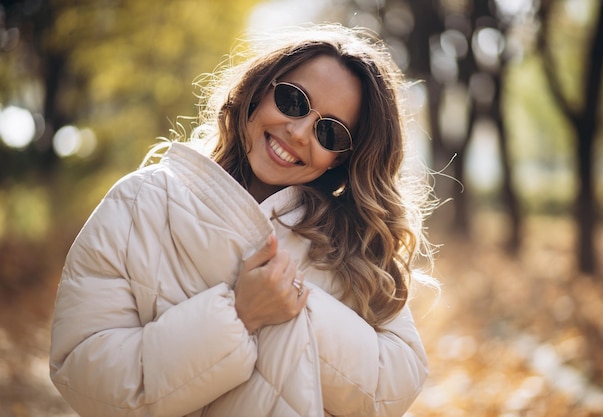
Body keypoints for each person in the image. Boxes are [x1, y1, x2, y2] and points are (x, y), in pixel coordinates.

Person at [49, 23, 439, 417]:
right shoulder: (139, 203)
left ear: (341, 158)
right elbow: (81, 373)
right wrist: (238, 314)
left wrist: (300, 304)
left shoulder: (349, 243)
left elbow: (396, 387)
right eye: (292, 100)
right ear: (260, 89)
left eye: (330, 133)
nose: (300, 132)